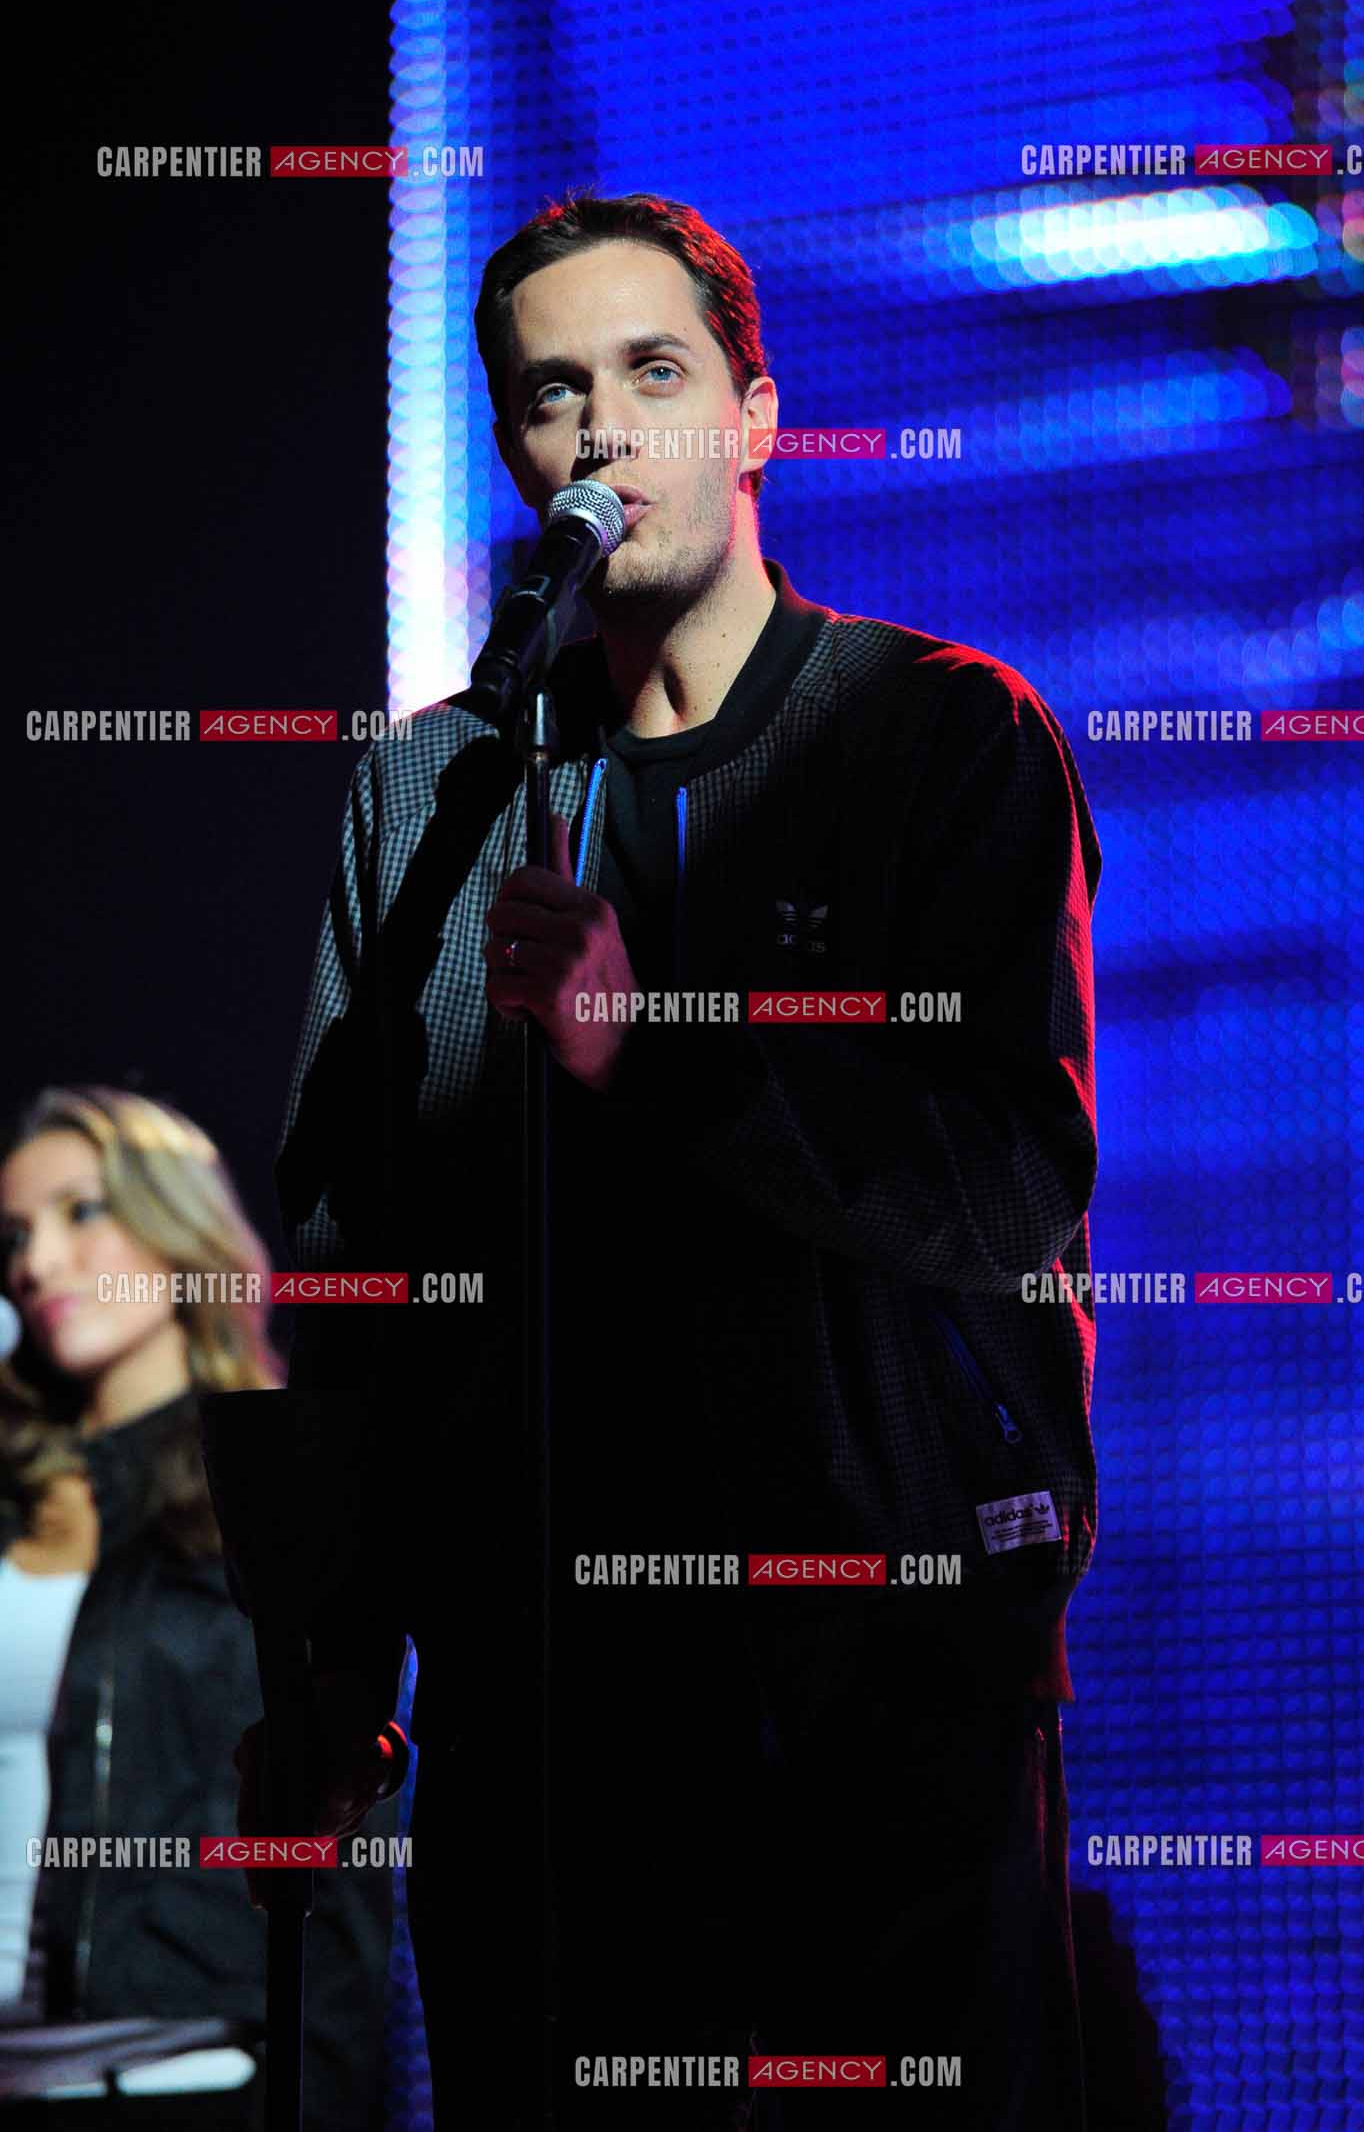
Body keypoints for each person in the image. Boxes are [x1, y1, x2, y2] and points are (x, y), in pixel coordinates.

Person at [269, 191, 1102, 2130]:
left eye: (654, 374)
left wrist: (663, 1059)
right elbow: (352, 1256)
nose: (604, 432)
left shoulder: (939, 736)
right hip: (552, 1723)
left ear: (754, 413)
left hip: (880, 1690)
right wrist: (327, 1658)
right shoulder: (431, 793)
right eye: (554, 394)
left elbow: (1010, 1179)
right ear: (513, 449)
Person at [0, 1086, 396, 2128]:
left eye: (81, 1212)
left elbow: (342, 1839)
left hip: (194, 2075)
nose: (37, 1263)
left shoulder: (277, 1494)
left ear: (177, 1224)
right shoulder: (20, 1497)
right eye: (16, 1234)